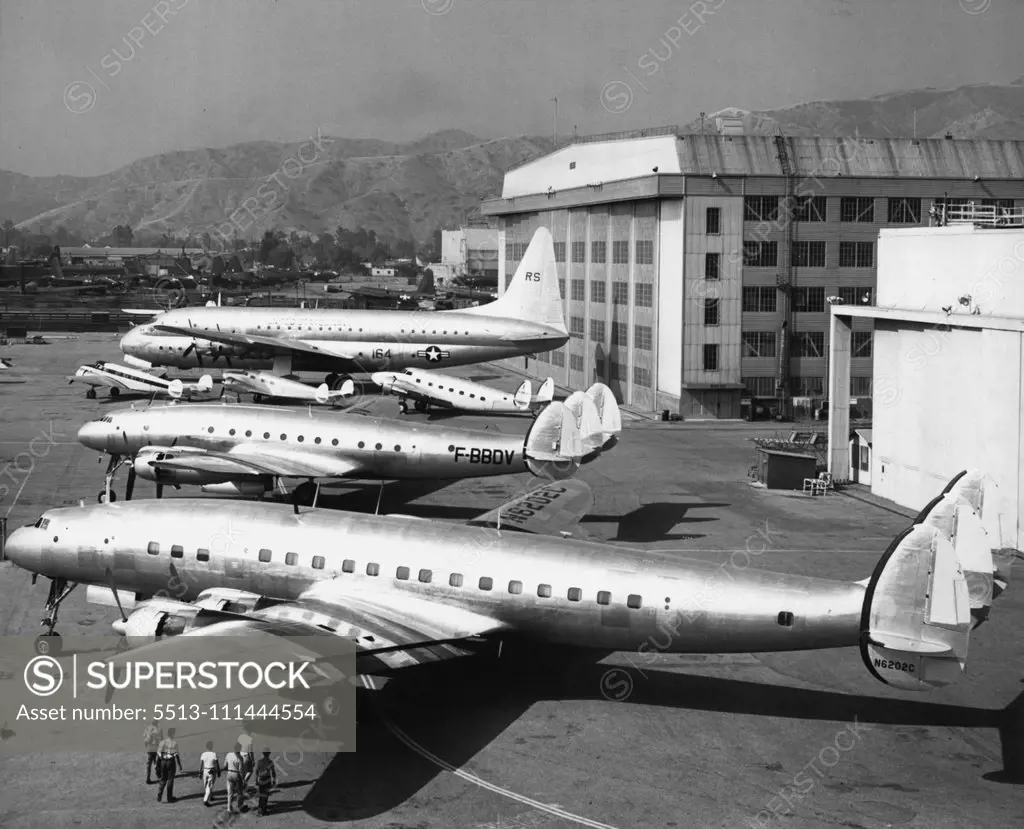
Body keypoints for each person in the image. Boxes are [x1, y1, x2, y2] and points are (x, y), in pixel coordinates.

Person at [156, 727, 183, 803]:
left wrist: (159, 763)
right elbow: (176, 755)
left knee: (163, 778)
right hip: (171, 762)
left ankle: (159, 794)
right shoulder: (174, 743)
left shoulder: (162, 742)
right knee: (170, 779)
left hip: (163, 762)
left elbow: (158, 754)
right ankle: (169, 798)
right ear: (173, 734)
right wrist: (179, 765)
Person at [223, 742, 245, 814]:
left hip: (229, 774)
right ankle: (240, 806)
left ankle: (229, 807)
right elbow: (241, 770)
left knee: (230, 792)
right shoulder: (240, 758)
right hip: (236, 774)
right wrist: (243, 779)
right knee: (239, 792)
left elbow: (225, 766)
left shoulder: (228, 754)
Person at [254, 749, 277, 816]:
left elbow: (256, 772)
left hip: (261, 779)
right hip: (267, 780)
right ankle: (264, 810)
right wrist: (274, 781)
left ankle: (260, 810)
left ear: (263, 754)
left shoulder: (259, 762)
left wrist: (256, 780)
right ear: (269, 754)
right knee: (266, 796)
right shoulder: (270, 762)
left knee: (261, 796)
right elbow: (273, 772)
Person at [199, 740, 220, 807]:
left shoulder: (203, 754)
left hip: (205, 770)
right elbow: (217, 764)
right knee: (209, 786)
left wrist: (200, 772)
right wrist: (218, 771)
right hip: (212, 771)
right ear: (212, 747)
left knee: (206, 785)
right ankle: (205, 800)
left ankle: (210, 797)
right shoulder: (214, 754)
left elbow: (201, 764)